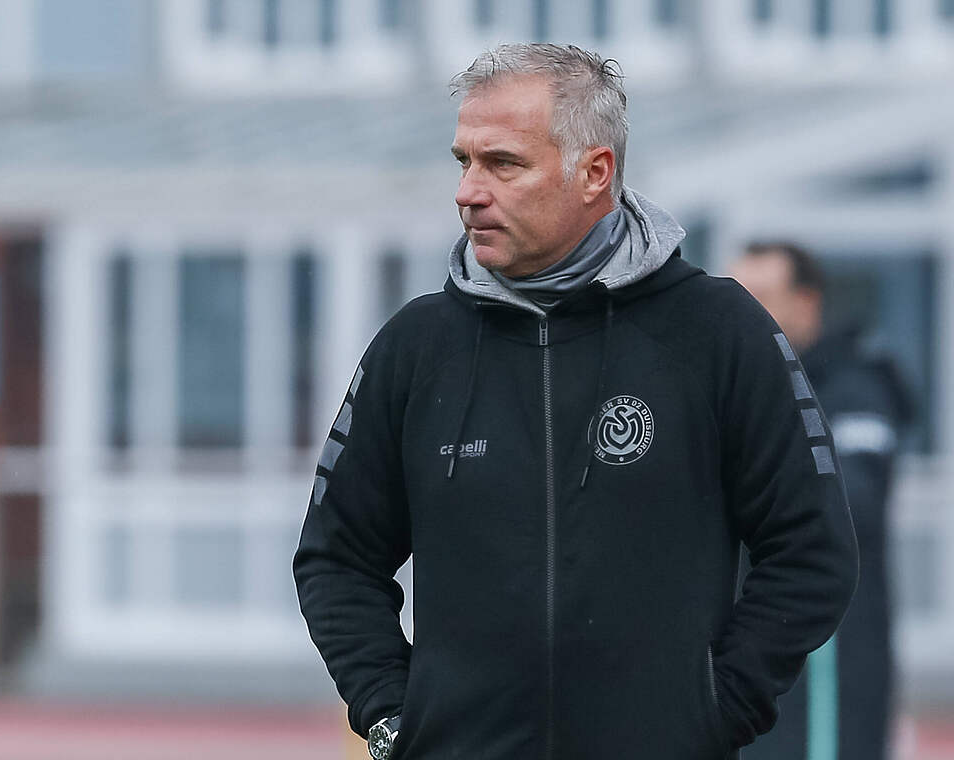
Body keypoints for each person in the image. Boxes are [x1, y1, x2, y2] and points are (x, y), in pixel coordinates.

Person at [293, 44, 857, 760]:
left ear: (595, 173)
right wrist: (391, 715)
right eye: (464, 161)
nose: (468, 191)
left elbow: (812, 550)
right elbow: (335, 558)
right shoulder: (416, 346)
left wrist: (714, 712)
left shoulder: (717, 332)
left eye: (503, 164)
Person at [731, 242, 912, 760]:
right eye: (735, 295)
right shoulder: (731, 386)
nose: (741, 311)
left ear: (806, 303)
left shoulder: (855, 389)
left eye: (759, 295)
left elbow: (854, 499)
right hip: (749, 648)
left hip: (828, 654)